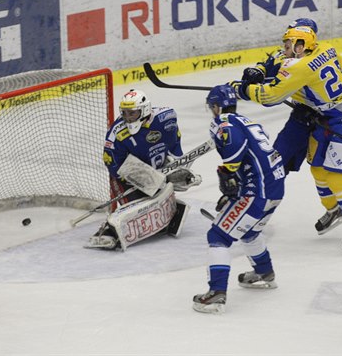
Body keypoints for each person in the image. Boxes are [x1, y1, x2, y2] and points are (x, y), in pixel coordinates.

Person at [240, 18, 342, 241]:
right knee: (319, 169)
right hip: (325, 119)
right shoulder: (324, 49)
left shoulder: (299, 66)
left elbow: (270, 97)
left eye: (289, 43)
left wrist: (242, 90)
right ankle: (340, 210)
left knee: (341, 176)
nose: (285, 48)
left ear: (302, 44)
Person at [193, 84, 284, 314]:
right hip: (275, 188)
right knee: (249, 231)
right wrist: (235, 189)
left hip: (257, 192)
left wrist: (227, 172)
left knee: (218, 236)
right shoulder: (248, 121)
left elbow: (233, 155)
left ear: (216, 106)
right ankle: (264, 273)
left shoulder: (223, 123)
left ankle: (217, 293)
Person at [86, 89, 196, 250]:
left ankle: (163, 211)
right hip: (127, 175)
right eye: (125, 113)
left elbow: (174, 142)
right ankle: (109, 230)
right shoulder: (116, 133)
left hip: (159, 168)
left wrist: (177, 166)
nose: (128, 118)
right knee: (138, 212)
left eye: (132, 113)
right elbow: (112, 163)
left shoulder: (166, 119)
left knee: (157, 206)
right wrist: (145, 178)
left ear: (144, 110)